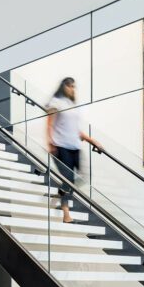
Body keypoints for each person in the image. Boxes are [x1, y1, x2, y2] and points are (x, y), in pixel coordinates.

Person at [46, 78, 99, 224]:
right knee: (68, 179)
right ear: (63, 86)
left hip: (75, 145)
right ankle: (66, 214)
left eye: (74, 86)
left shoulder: (72, 105)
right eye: (70, 86)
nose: (72, 89)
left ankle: (61, 192)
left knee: (84, 177)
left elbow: (76, 130)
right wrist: (50, 142)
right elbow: (49, 123)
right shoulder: (56, 102)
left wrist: (91, 140)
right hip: (60, 145)